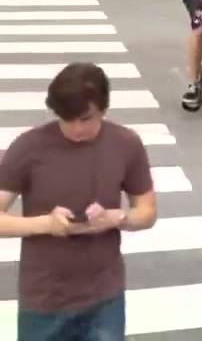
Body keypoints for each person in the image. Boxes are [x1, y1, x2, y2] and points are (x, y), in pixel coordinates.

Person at [0, 63, 158, 340]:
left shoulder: (126, 144)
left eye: (86, 119)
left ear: (104, 109)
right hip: (44, 299)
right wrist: (46, 224)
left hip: (104, 297)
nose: (76, 129)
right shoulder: (28, 148)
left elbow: (146, 211)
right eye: (66, 118)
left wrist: (118, 219)